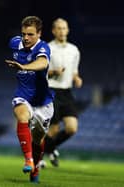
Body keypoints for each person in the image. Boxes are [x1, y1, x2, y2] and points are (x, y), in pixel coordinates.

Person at [5, 16, 54, 183]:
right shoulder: (14, 43)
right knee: (21, 114)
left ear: (39, 34)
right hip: (23, 95)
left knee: (38, 139)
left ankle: (36, 167)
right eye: (24, 34)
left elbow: (42, 62)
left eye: (31, 34)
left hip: (43, 101)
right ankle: (28, 159)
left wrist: (24, 66)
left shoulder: (43, 47)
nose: (26, 38)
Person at [43, 18, 83, 167]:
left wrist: (77, 78)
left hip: (66, 92)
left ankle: (50, 148)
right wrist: (52, 72)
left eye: (64, 28)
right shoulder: (47, 48)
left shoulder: (74, 50)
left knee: (72, 128)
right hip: (51, 90)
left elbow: (74, 72)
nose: (61, 31)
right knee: (53, 130)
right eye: (58, 28)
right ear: (53, 31)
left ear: (68, 30)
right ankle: (43, 153)